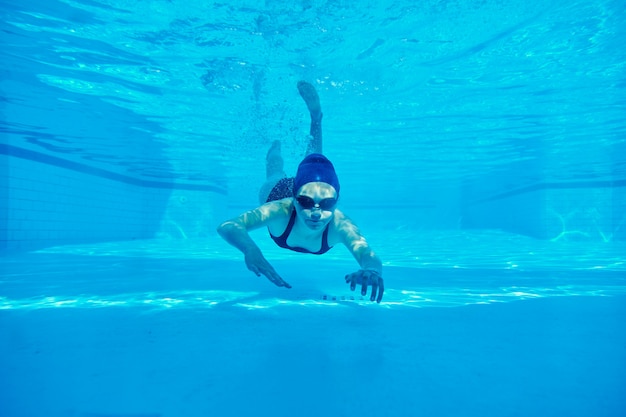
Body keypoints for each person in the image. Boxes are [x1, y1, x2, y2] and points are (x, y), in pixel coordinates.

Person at [217, 81, 384, 303]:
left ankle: (316, 118)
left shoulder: (340, 224)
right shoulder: (280, 209)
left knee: (315, 163)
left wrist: (371, 271)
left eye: (326, 204)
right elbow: (227, 226)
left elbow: (367, 255)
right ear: (295, 200)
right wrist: (249, 248)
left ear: (336, 202)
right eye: (306, 202)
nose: (316, 213)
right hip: (277, 191)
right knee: (275, 173)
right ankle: (277, 149)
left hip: (305, 186)